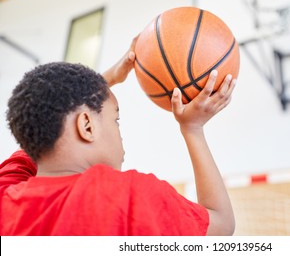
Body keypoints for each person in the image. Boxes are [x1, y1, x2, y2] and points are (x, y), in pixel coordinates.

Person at [0, 38, 236, 236]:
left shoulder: (6, 200)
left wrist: (96, 88)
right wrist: (192, 129)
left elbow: (40, 130)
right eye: (116, 120)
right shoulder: (130, 196)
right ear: (86, 126)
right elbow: (222, 224)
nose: (120, 133)